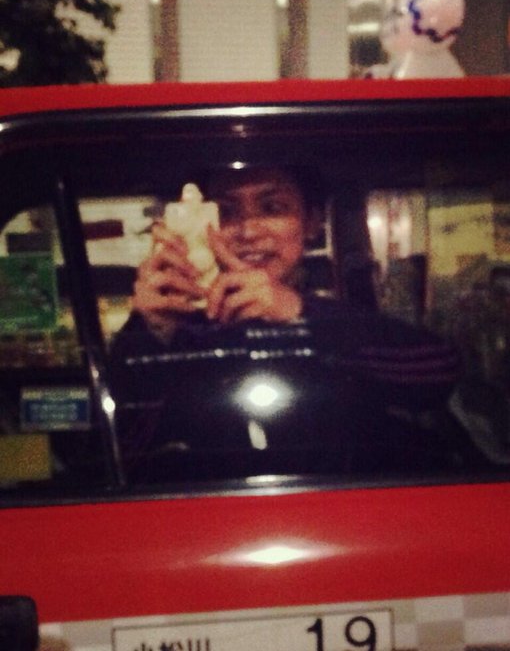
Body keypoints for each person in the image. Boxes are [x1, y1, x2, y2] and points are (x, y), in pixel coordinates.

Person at [110, 165, 459, 478]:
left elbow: (438, 374)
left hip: (342, 514)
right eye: (226, 212)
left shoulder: (339, 321)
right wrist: (148, 331)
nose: (248, 231)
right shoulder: (182, 331)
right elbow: (113, 450)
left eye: (272, 208)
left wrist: (297, 313)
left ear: (311, 223)